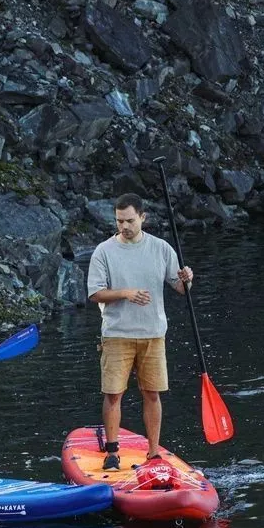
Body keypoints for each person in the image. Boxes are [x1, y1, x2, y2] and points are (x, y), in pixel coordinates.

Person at [86, 192, 194, 469]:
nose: (124, 226)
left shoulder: (161, 249)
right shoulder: (104, 251)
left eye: (130, 220)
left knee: (152, 393)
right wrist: (126, 293)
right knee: (113, 394)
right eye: (120, 221)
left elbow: (180, 289)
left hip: (153, 334)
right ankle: (112, 452)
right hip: (117, 333)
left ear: (143, 218)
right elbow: (95, 293)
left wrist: (188, 279)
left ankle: (154, 452)